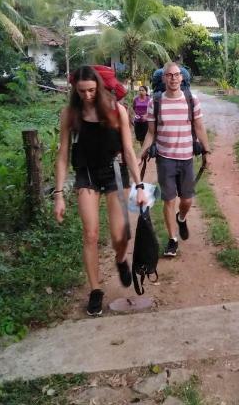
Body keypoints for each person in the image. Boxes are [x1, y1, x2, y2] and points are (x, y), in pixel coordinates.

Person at [54, 65, 147, 317]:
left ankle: (119, 259)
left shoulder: (117, 111)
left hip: (115, 171)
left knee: (121, 235)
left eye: (92, 90)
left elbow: (128, 151)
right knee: (90, 234)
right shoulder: (70, 114)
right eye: (82, 91)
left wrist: (139, 186)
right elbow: (62, 155)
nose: (87, 95)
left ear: (100, 87)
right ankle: (95, 290)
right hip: (86, 174)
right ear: (75, 89)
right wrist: (59, 194)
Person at [141, 61, 210, 257]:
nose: (173, 78)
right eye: (169, 75)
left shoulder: (191, 99)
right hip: (165, 158)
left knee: (186, 200)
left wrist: (207, 151)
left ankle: (182, 218)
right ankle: (172, 240)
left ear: (182, 77)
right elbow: (150, 133)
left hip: (187, 157)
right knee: (169, 200)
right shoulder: (155, 102)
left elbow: (199, 127)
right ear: (163, 78)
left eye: (176, 74)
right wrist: (141, 153)